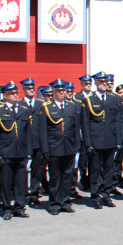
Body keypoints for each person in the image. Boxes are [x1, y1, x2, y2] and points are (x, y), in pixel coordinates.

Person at [35, 79, 81, 215]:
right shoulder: (47, 107)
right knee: (55, 176)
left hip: (69, 147)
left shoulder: (72, 107)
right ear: (53, 92)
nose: (61, 93)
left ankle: (66, 202)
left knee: (67, 175)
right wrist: (45, 149)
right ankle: (55, 203)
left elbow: (76, 128)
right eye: (58, 91)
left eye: (63, 90)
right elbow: (42, 131)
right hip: (54, 147)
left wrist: (77, 146)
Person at [0, 82, 32, 220]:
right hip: (6, 152)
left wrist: (29, 151)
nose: (15, 95)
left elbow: (28, 133)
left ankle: (19, 206)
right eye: (12, 93)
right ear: (5, 96)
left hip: (21, 152)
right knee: (6, 182)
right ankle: (7, 207)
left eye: (16, 93)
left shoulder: (24, 110)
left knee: (21, 182)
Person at [81, 72, 122, 209]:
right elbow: (85, 123)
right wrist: (88, 143)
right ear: (96, 83)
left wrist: (118, 140)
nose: (104, 84)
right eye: (101, 82)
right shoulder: (89, 99)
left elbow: (117, 120)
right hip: (95, 141)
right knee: (95, 169)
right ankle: (95, 195)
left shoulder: (113, 99)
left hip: (110, 140)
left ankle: (106, 195)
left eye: (106, 82)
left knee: (109, 169)